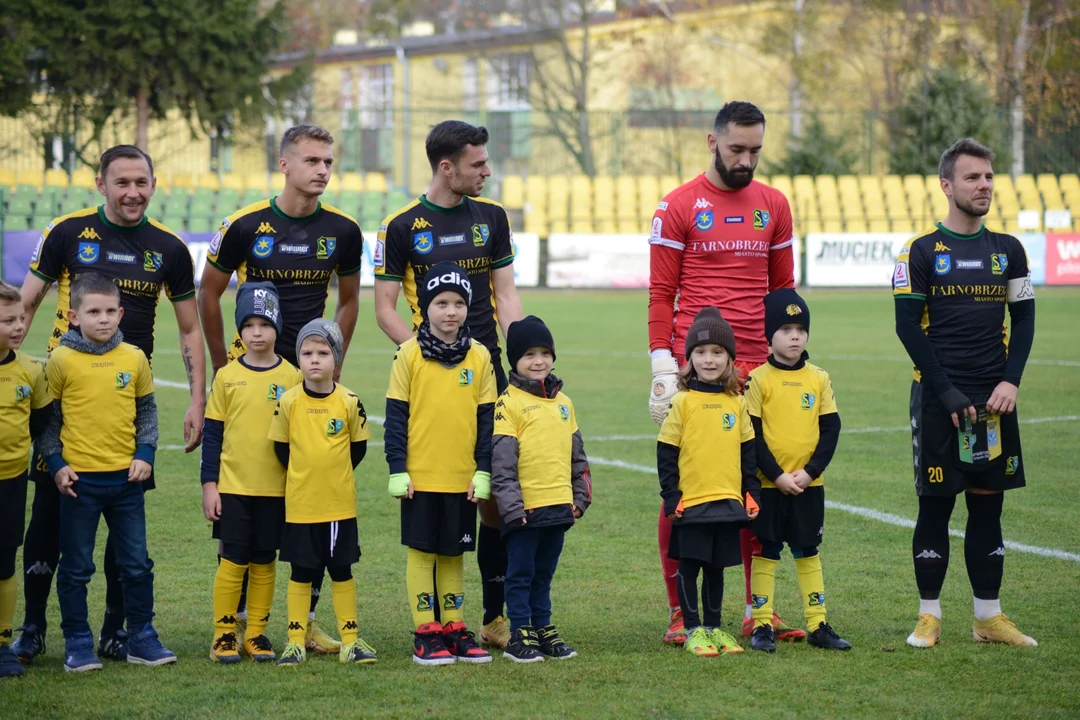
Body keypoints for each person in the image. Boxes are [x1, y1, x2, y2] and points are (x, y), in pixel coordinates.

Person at [14, 144, 205, 663]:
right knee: (48, 525)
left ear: (154, 183)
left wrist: (196, 399)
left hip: (125, 411)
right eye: (121, 182)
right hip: (65, 407)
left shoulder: (167, 247)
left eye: (141, 182)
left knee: (127, 535)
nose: (132, 192)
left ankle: (118, 632)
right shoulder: (68, 233)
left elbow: (189, 329)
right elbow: (24, 305)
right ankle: (32, 628)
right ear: (101, 184)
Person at [198, 124, 363, 654]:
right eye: (312, 160)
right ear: (285, 163)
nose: (322, 170)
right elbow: (209, 294)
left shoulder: (343, 230)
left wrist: (331, 363)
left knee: (307, 502)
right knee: (245, 494)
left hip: (307, 387)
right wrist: (227, 361)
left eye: (329, 162)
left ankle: (302, 618)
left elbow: (349, 301)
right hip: (255, 379)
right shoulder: (244, 225)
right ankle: (239, 621)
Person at [647, 101, 800, 645]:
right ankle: (679, 611)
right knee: (689, 486)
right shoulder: (679, 205)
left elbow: (783, 295)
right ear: (712, 142)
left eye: (756, 149)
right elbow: (662, 293)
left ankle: (758, 609)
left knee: (756, 486)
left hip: (760, 369)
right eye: (737, 148)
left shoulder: (774, 205)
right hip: (699, 370)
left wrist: (792, 360)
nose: (747, 159)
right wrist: (662, 364)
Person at [375, 119, 524, 649]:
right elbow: (385, 310)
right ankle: (435, 621)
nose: (488, 172)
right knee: (446, 491)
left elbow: (505, 297)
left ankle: (495, 617)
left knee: (496, 499)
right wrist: (427, 354)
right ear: (447, 167)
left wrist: (524, 355)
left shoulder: (492, 218)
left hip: (490, 376)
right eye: (478, 164)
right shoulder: (399, 226)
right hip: (433, 381)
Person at [892, 138, 1037, 649]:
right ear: (946, 185)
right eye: (973, 177)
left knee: (988, 506)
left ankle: (988, 617)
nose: (984, 186)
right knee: (935, 506)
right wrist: (948, 392)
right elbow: (907, 328)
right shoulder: (920, 251)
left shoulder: (1009, 251)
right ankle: (929, 616)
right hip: (939, 401)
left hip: (994, 401)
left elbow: (1024, 319)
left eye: (989, 177)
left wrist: (1010, 380)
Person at [39, 273, 175, 672]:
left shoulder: (134, 358)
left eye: (110, 311)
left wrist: (145, 453)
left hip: (127, 483)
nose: (103, 319)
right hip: (79, 485)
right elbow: (48, 422)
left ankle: (141, 637)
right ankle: (78, 642)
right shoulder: (60, 360)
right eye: (93, 311)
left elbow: (147, 412)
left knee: (136, 565)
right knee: (77, 568)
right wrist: (58, 465)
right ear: (73, 315)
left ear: (121, 312)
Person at [384, 262, 496, 666]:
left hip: (462, 479)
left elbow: (488, 421)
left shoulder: (480, 356)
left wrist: (483, 470)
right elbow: (396, 417)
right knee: (422, 552)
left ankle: (453, 626)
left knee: (453, 554)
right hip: (419, 478)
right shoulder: (409, 354)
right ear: (425, 307)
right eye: (442, 302)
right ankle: (425, 631)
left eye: (460, 303)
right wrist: (398, 468)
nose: (451, 311)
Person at [745, 289, 850, 653]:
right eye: (786, 328)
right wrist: (776, 476)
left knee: (808, 550)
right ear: (769, 335)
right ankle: (761, 626)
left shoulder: (818, 378)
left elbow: (831, 429)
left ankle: (818, 623)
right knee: (767, 550)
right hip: (769, 486)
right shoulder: (757, 380)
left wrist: (810, 471)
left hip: (809, 484)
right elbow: (752, 436)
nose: (795, 336)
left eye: (801, 329)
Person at [202, 282, 300, 663]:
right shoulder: (226, 377)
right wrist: (210, 486)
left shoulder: (292, 376)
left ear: (277, 327)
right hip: (233, 489)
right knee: (232, 560)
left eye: (265, 324)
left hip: (276, 490)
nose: (257, 333)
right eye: (249, 325)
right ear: (239, 330)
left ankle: (256, 632)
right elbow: (213, 436)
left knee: (264, 561)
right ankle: (224, 633)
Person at [269, 319, 376, 666]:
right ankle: (295, 641)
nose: (314, 359)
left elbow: (356, 450)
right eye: (307, 352)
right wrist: (305, 477)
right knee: (301, 572)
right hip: (300, 505)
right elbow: (281, 450)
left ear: (336, 358)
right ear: (298, 358)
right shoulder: (288, 402)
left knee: (341, 570)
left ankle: (350, 640)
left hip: (338, 507)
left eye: (323, 352)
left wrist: (333, 476)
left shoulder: (349, 401)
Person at [656, 307, 759, 658]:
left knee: (716, 569)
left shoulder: (737, 402)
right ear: (689, 359)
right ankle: (693, 629)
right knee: (690, 566)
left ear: (730, 359)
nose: (709, 359)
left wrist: (752, 493)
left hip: (728, 502)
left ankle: (715, 628)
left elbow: (748, 452)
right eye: (700, 352)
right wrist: (671, 496)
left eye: (717, 352)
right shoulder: (683, 402)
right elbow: (666, 453)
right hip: (692, 502)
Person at [491, 316, 592, 663]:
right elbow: (502, 464)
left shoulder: (564, 402)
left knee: (544, 574)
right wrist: (512, 508)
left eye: (545, 353)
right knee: (520, 574)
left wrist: (580, 499)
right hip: (524, 511)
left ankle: (543, 627)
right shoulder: (509, 402)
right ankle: (521, 633)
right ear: (515, 360)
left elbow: (578, 456)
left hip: (558, 506)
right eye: (529, 354)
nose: (538, 361)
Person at [0, 282, 51, 679]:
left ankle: (2, 644)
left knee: (4, 562)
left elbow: (39, 424)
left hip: (11, 482)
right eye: (7, 321)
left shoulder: (32, 370)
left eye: (20, 318)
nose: (19, 326)